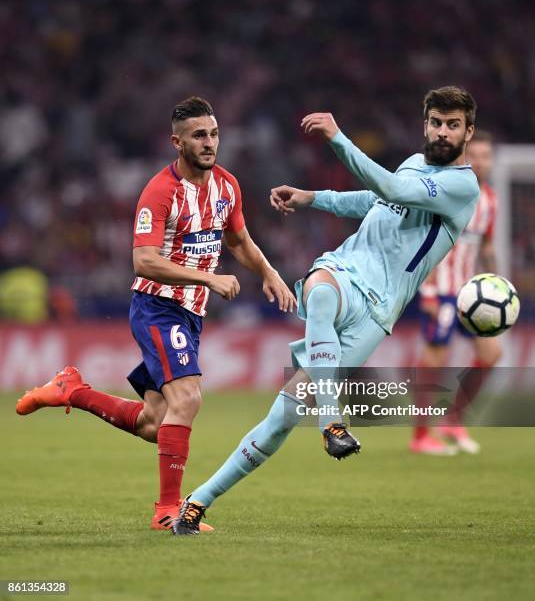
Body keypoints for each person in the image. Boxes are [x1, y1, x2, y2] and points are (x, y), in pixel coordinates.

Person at [172, 86, 481, 535]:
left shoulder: (461, 185)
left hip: (378, 311)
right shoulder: (415, 165)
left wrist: (338, 138)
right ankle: (332, 420)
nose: (442, 131)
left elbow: (391, 187)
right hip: (345, 269)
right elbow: (376, 200)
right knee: (318, 293)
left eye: (453, 125)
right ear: (426, 124)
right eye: (436, 122)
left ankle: (199, 499)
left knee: (280, 419)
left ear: (468, 132)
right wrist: (313, 197)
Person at [15, 96, 296, 532]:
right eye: (199, 135)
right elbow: (143, 261)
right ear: (177, 142)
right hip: (158, 307)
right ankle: (168, 510)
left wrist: (269, 273)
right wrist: (209, 279)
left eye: (214, 134)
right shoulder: (159, 191)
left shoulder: (226, 186)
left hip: (190, 314)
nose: (209, 143)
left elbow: (238, 240)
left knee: (154, 423)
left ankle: (71, 391)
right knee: (189, 398)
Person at [411, 130, 501, 455]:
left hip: (470, 293)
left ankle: (453, 419)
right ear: (464, 157)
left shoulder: (490, 200)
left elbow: (487, 245)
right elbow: (429, 242)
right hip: (442, 289)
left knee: (491, 353)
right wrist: (429, 292)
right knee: (435, 356)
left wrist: (496, 283)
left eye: (486, 156)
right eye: (474, 155)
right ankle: (421, 435)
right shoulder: (448, 195)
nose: (480, 162)